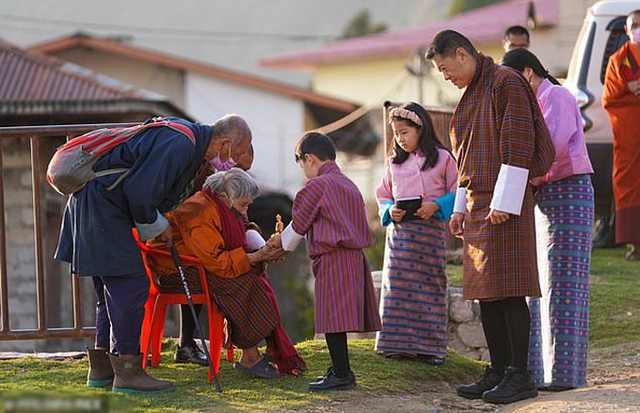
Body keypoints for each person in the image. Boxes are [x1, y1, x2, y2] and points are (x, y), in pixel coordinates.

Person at [54, 114, 253, 394]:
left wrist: (158, 223)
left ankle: (102, 369)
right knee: (130, 286)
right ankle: (128, 372)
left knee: (109, 292)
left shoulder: (185, 137)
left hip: (95, 203)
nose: (235, 161)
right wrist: (159, 227)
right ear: (225, 143)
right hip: (103, 206)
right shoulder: (181, 144)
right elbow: (140, 192)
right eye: (240, 152)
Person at [426, 30, 555, 404]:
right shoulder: (469, 98)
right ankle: (498, 370)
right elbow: (465, 160)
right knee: (487, 295)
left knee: (511, 290)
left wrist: (505, 202)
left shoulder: (505, 82)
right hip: (481, 204)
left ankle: (520, 376)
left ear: (463, 54)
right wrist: (461, 209)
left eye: (445, 68)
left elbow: (518, 143)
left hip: (505, 204)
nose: (445, 76)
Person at [146, 168, 306, 378]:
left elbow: (240, 232)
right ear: (224, 197)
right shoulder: (199, 210)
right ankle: (250, 356)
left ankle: (268, 347)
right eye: (243, 205)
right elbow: (218, 262)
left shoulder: (222, 206)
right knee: (241, 281)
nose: (245, 211)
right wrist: (257, 257)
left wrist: (261, 251)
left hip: (199, 263)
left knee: (254, 274)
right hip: (175, 270)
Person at [502, 48, 595, 390]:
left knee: (564, 285)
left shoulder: (557, 95)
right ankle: (540, 373)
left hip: (568, 192)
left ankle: (564, 375)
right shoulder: (531, 103)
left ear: (528, 72)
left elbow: (552, 147)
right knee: (538, 285)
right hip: (543, 196)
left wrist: (522, 178)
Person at [268, 132, 382, 391]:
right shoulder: (350, 185)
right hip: (355, 256)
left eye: (301, 164)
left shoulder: (318, 185)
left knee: (332, 317)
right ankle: (341, 370)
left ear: (308, 159)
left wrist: (277, 244)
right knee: (338, 317)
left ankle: (342, 374)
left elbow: (298, 226)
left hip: (333, 256)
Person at [374, 102, 458, 365]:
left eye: (405, 132)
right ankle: (396, 345)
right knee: (397, 288)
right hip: (400, 237)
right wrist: (389, 210)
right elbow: (383, 195)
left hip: (430, 234)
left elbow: (458, 191)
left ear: (421, 128)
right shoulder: (394, 164)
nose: (400, 138)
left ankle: (431, 348)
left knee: (430, 287)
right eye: (397, 133)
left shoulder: (444, 158)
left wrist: (437, 205)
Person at [174, 124, 255, 367]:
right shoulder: (206, 171)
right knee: (228, 273)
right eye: (240, 164)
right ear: (229, 148)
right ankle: (187, 343)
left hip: (203, 242)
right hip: (184, 244)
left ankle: (247, 347)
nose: (241, 172)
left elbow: (237, 212)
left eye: (246, 170)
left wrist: (249, 230)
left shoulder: (230, 181)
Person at [602, 9, 640, 261]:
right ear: (626, 31)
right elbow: (609, 98)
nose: (638, 29)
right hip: (630, 132)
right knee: (629, 182)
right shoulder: (619, 60)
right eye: (634, 25)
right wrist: (630, 89)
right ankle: (637, 245)